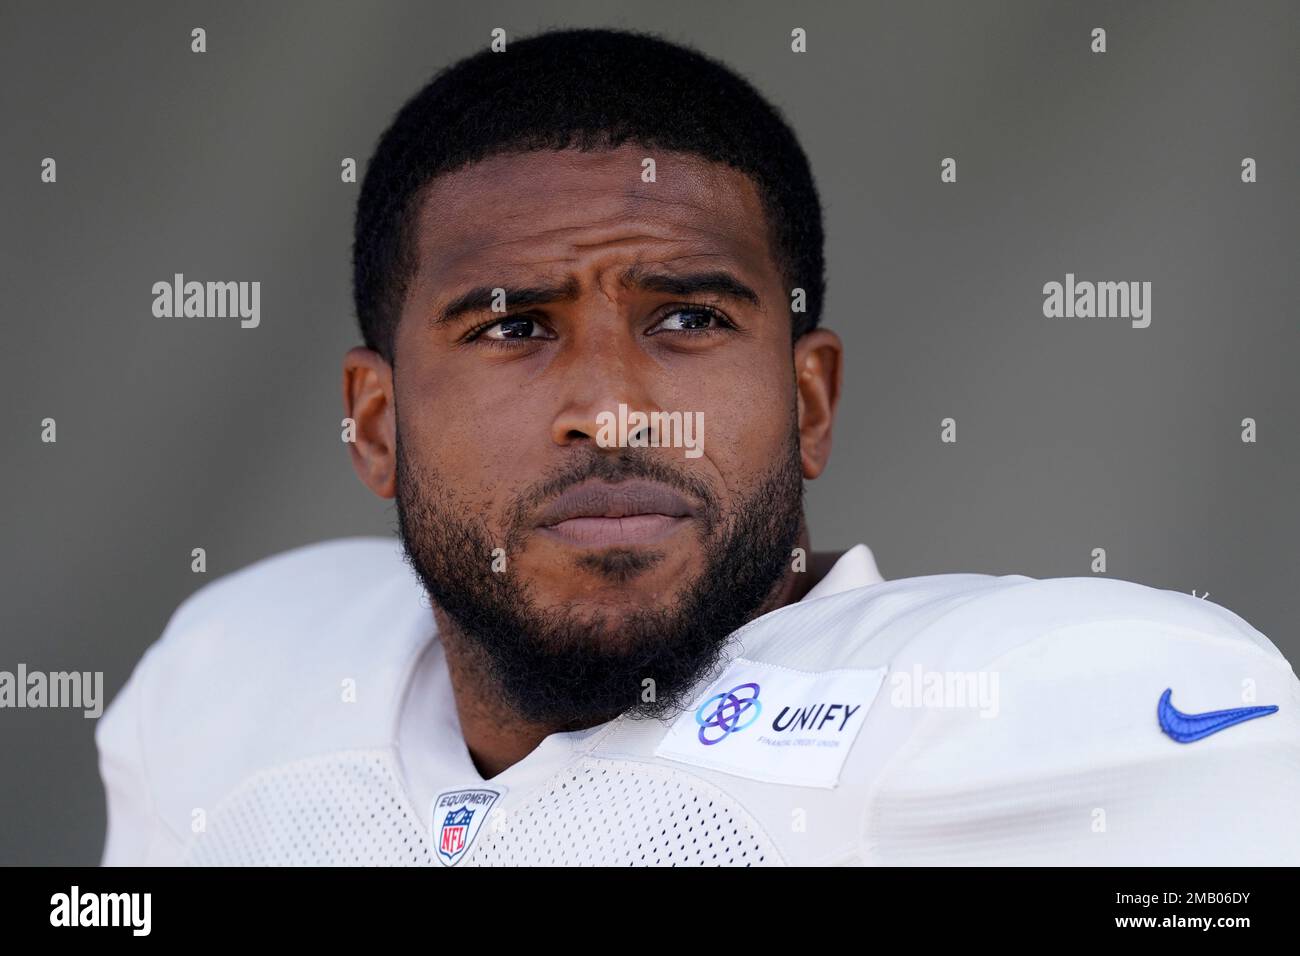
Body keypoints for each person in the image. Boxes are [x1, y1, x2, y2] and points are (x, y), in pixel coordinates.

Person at [97, 27, 1300, 866]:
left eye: (689, 318)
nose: (613, 409)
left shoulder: (1042, 704)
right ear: (375, 424)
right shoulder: (236, 668)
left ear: (809, 398)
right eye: (513, 324)